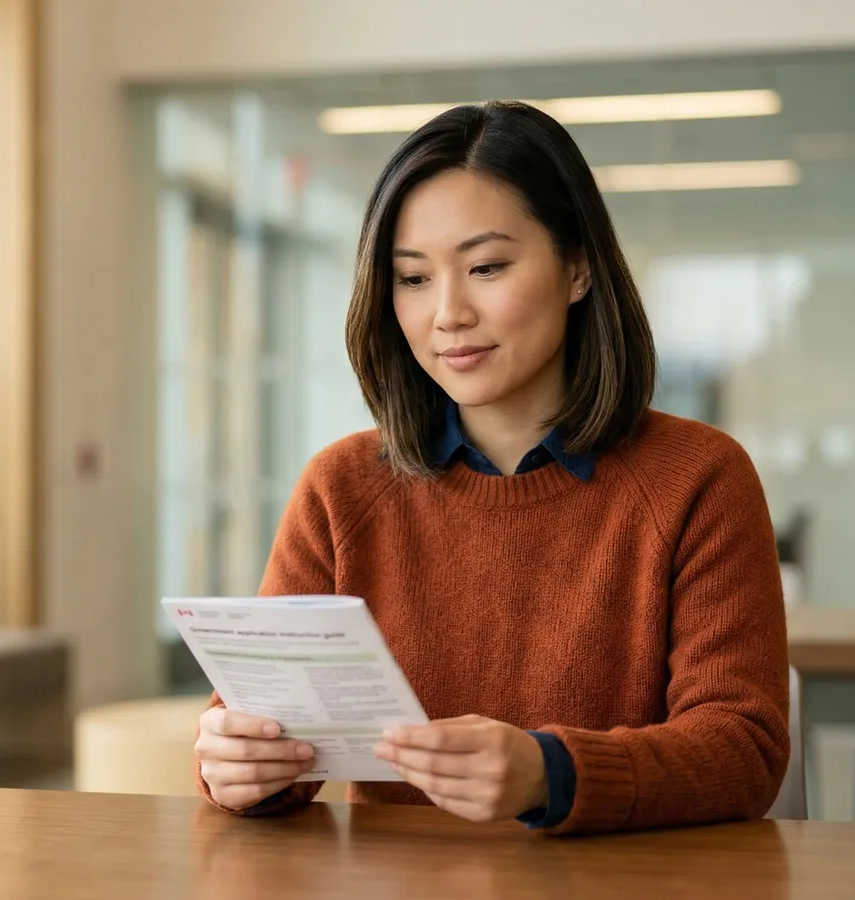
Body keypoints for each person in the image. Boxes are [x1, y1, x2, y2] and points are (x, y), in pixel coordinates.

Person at [192, 100, 790, 836]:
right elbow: (262, 729)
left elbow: (743, 750)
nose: (447, 313)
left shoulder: (699, 478)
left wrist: (550, 774)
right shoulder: (339, 488)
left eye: (485, 267)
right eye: (412, 279)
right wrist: (238, 766)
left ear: (578, 267)